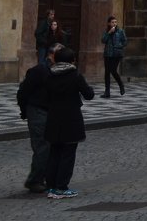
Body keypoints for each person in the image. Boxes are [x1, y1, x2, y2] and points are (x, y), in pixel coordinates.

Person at [43, 45, 96, 199]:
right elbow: (89, 95)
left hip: (53, 117)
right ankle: (61, 187)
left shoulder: (49, 75)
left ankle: (51, 186)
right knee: (68, 154)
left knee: (54, 152)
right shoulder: (75, 75)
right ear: (72, 61)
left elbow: (46, 96)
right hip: (71, 118)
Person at [17, 43, 59, 193]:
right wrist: (24, 111)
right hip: (37, 111)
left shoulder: (57, 71)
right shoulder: (39, 70)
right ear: (52, 54)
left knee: (49, 146)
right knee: (43, 146)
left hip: (49, 112)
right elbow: (23, 92)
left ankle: (45, 178)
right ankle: (34, 180)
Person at [101, 15, 127, 98]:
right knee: (107, 73)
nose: (114, 24)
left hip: (117, 54)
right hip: (108, 54)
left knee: (113, 70)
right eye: (112, 22)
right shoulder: (106, 31)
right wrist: (109, 33)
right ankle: (107, 92)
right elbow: (103, 40)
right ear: (109, 23)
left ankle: (121, 85)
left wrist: (119, 46)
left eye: (115, 22)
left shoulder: (120, 31)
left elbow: (125, 41)